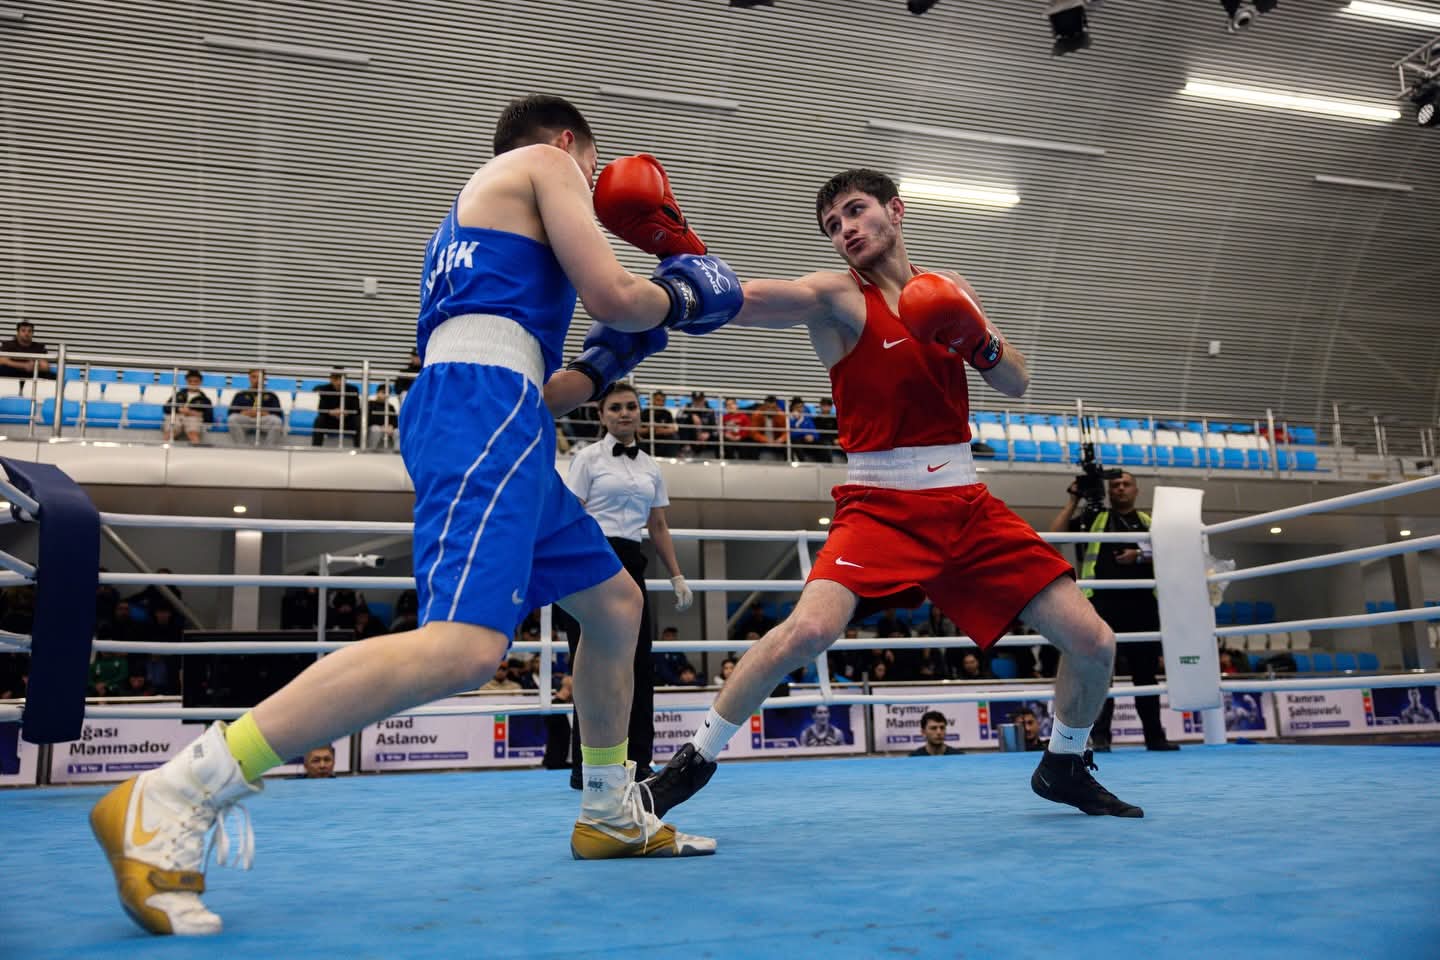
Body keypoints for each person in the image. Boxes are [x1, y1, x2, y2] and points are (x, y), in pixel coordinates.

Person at [91, 95, 745, 936]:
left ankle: (609, 811)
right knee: (466, 648)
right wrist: (678, 296)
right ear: (570, 142)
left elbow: (550, 383)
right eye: (592, 168)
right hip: (483, 410)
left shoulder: (485, 229)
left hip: (505, 410)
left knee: (617, 607)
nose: (591, 187)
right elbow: (617, 294)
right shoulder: (545, 164)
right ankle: (178, 788)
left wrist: (608, 355)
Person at [641, 168, 1141, 825]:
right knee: (810, 629)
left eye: (855, 211)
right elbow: (750, 300)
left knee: (1095, 642)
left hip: (965, 501)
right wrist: (675, 274)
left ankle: (1065, 763)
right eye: (832, 225)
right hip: (879, 502)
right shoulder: (835, 298)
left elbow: (1017, 383)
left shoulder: (952, 288)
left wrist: (979, 341)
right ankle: (692, 762)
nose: (845, 229)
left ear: (895, 211)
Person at [558, 381, 695, 786]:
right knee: (590, 665)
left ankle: (639, 760)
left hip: (632, 563)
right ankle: (586, 766)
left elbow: (658, 525)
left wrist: (676, 574)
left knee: (638, 664)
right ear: (601, 415)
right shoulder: (586, 459)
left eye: (631, 406)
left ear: (640, 412)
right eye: (615, 407)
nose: (624, 413)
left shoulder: (650, 465)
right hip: (589, 561)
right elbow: (571, 515)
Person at [1050, 471, 1178, 752]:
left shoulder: (1149, 523)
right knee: (1099, 677)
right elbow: (1053, 539)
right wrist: (1073, 500)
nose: (1120, 488)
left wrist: (1140, 555)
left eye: (1126, 484)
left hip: (1144, 608)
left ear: (1136, 490)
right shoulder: (1092, 520)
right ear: (1108, 491)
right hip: (1102, 607)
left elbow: (1173, 552)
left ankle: (1155, 737)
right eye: (1115, 485)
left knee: (1146, 675)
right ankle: (1101, 738)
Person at [226, 369, 284, 446]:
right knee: (232, 419)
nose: (257, 380)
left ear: (264, 379)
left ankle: (269, 448)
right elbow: (231, 412)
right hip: (246, 419)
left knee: (277, 421)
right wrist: (244, 413)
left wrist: (261, 413)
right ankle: (242, 446)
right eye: (254, 377)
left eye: (259, 377)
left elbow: (278, 414)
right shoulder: (241, 394)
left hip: (263, 420)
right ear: (249, 378)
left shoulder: (271, 395)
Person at [312, 367, 362, 448]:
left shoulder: (353, 389)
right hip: (330, 420)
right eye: (336, 379)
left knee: (358, 421)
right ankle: (315, 448)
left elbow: (356, 409)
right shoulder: (325, 389)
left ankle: (359, 449)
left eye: (341, 379)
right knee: (319, 420)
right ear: (331, 379)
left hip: (347, 420)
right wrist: (331, 412)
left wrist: (346, 412)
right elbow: (321, 409)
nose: (339, 382)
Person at [162, 370, 214, 444]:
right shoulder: (178, 395)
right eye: (190, 381)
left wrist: (194, 413)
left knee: (193, 430)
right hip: (177, 416)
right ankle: (164, 450)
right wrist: (179, 410)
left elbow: (209, 417)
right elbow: (166, 408)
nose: (193, 383)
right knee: (171, 429)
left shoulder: (205, 399)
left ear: (200, 382)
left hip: (193, 419)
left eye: (196, 381)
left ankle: (196, 450)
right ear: (186, 381)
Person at [367, 383, 400, 449]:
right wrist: (382, 426)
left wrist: (392, 426)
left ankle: (397, 452)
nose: (386, 395)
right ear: (377, 392)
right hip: (374, 427)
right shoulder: (370, 404)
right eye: (383, 392)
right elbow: (368, 419)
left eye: (388, 393)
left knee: (397, 431)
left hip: (387, 428)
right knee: (375, 429)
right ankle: (371, 449)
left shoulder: (390, 407)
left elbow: (395, 421)